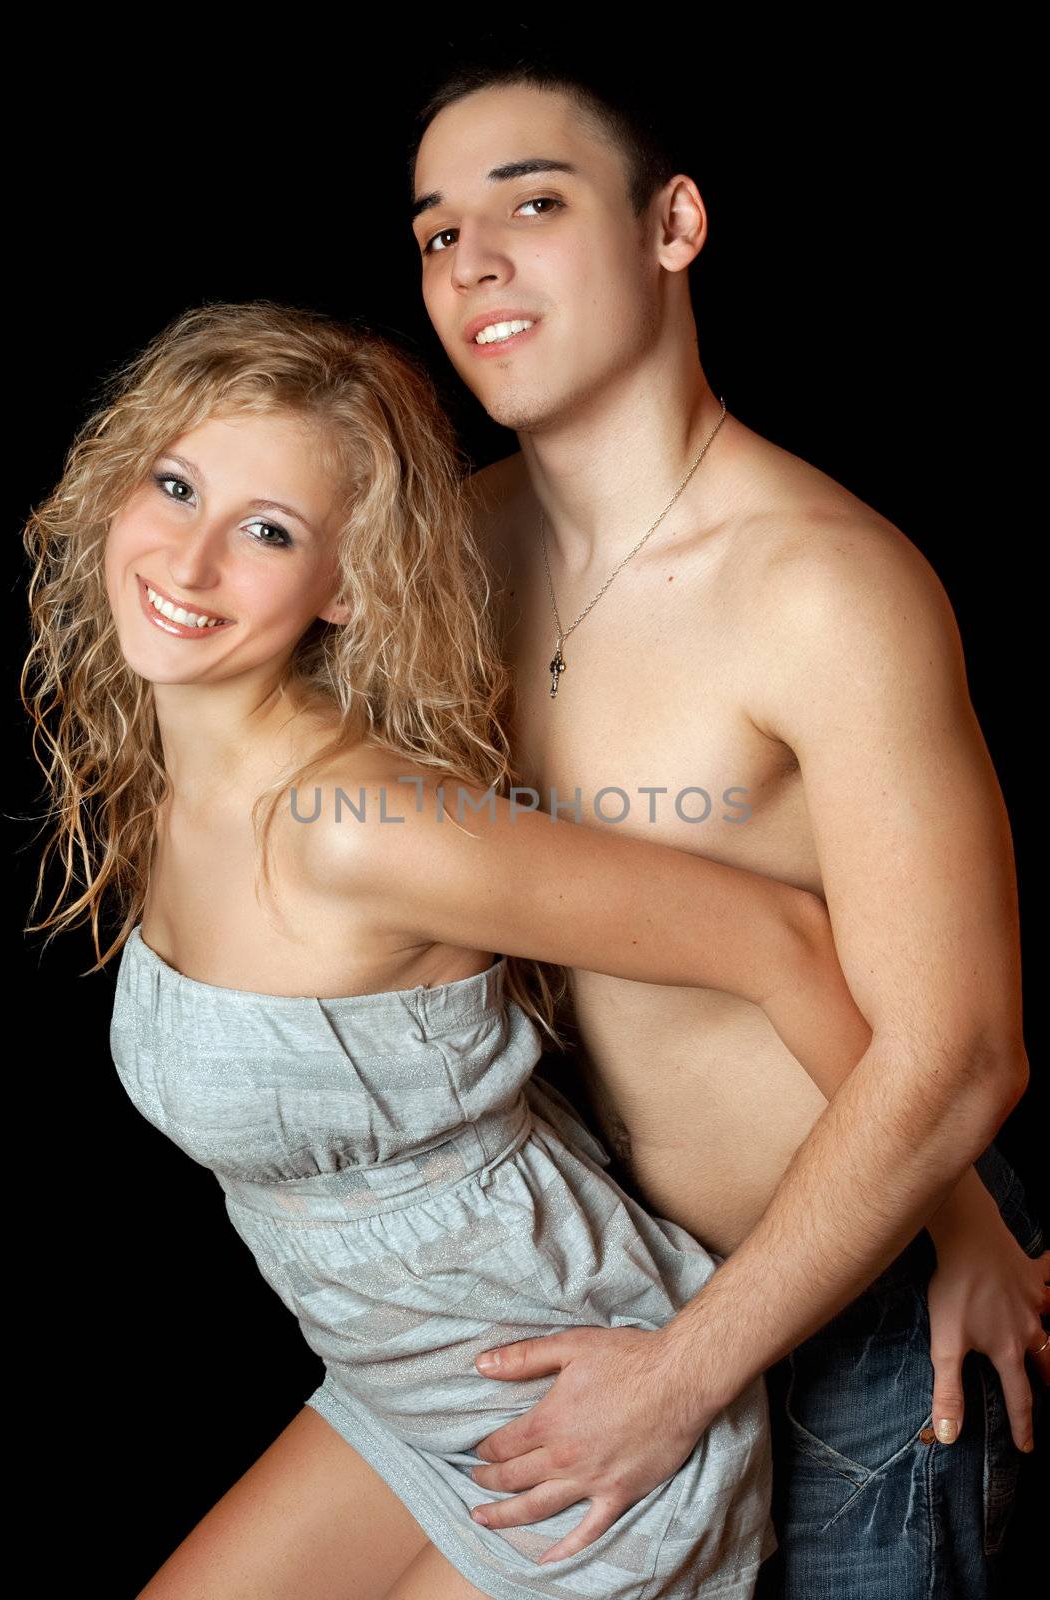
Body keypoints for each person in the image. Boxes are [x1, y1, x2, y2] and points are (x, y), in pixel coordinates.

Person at [23, 299, 891, 1600]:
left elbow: (781, 937)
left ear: (349, 584)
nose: (188, 563)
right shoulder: (162, 777)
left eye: (267, 532)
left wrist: (959, 1233)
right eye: (176, 485)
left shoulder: (363, 832)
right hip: (393, 1392)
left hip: (591, 1411)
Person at [403, 54, 1050, 1596]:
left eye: (534, 204)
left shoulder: (824, 585)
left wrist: (688, 1375)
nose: (472, 261)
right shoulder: (445, 555)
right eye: (433, 233)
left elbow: (959, 1052)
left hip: (858, 1332)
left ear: (674, 223)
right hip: (592, 1293)